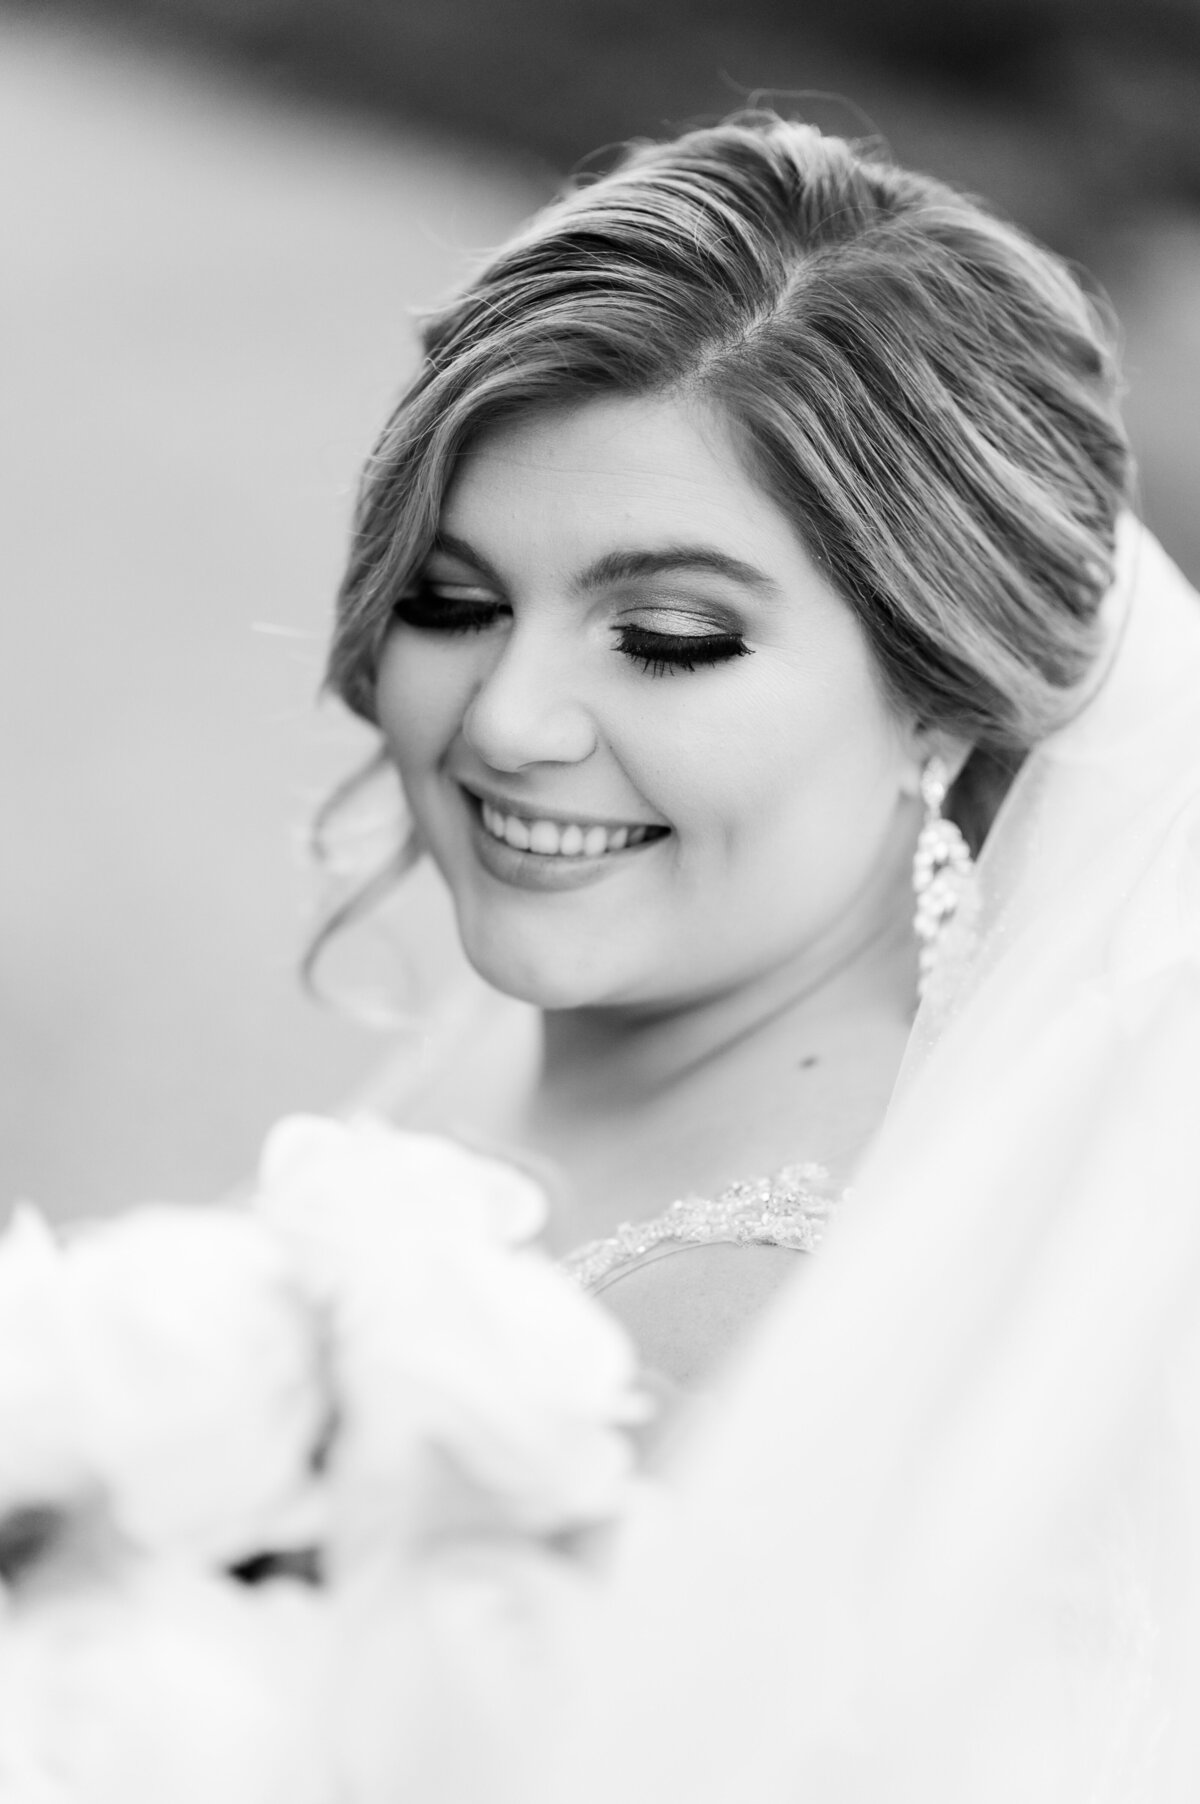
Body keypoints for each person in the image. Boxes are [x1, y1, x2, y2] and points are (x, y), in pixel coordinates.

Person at [322, 112, 1141, 1405]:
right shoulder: (565, 1023)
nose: (503, 722)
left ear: (944, 692)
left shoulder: (734, 1348)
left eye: (667, 637)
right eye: (454, 603)